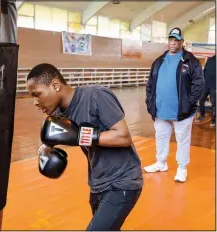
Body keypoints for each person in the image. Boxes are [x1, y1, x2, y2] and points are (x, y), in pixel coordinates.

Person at [26, 63, 143, 231]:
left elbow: (123, 136)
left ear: (55, 85)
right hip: (98, 183)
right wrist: (44, 150)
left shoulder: (96, 96)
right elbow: (49, 137)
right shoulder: (59, 114)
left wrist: (81, 135)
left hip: (123, 180)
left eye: (37, 94)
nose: (36, 102)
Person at [144, 27, 204, 182]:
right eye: (171, 39)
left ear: (182, 42)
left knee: (183, 140)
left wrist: (189, 103)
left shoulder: (191, 61)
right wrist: (149, 101)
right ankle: (161, 163)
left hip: (182, 112)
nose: (173, 43)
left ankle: (182, 168)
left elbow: (199, 83)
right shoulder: (159, 61)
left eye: (177, 40)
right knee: (160, 137)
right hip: (160, 110)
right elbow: (150, 83)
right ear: (168, 41)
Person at [195, 55, 216, 127]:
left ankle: (213, 119)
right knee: (201, 100)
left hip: (215, 87)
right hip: (206, 85)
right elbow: (205, 70)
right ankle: (202, 115)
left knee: (214, 104)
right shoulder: (210, 59)